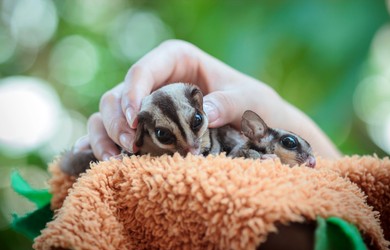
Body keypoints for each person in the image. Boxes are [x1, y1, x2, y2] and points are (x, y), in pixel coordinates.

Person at [73, 40, 341, 161]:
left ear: (201, 102)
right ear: (142, 132)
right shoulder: (145, 147)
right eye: (164, 135)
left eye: (197, 121)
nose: (191, 146)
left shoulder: (226, 131)